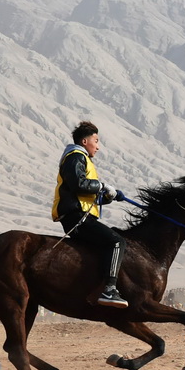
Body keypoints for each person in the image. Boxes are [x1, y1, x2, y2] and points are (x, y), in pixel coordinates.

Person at [51, 121, 128, 308]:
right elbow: (78, 184)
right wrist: (101, 186)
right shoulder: (75, 156)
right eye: (96, 141)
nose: (98, 146)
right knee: (117, 242)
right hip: (76, 217)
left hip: (81, 213)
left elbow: (84, 194)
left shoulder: (82, 158)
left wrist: (108, 196)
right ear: (85, 141)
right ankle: (109, 290)